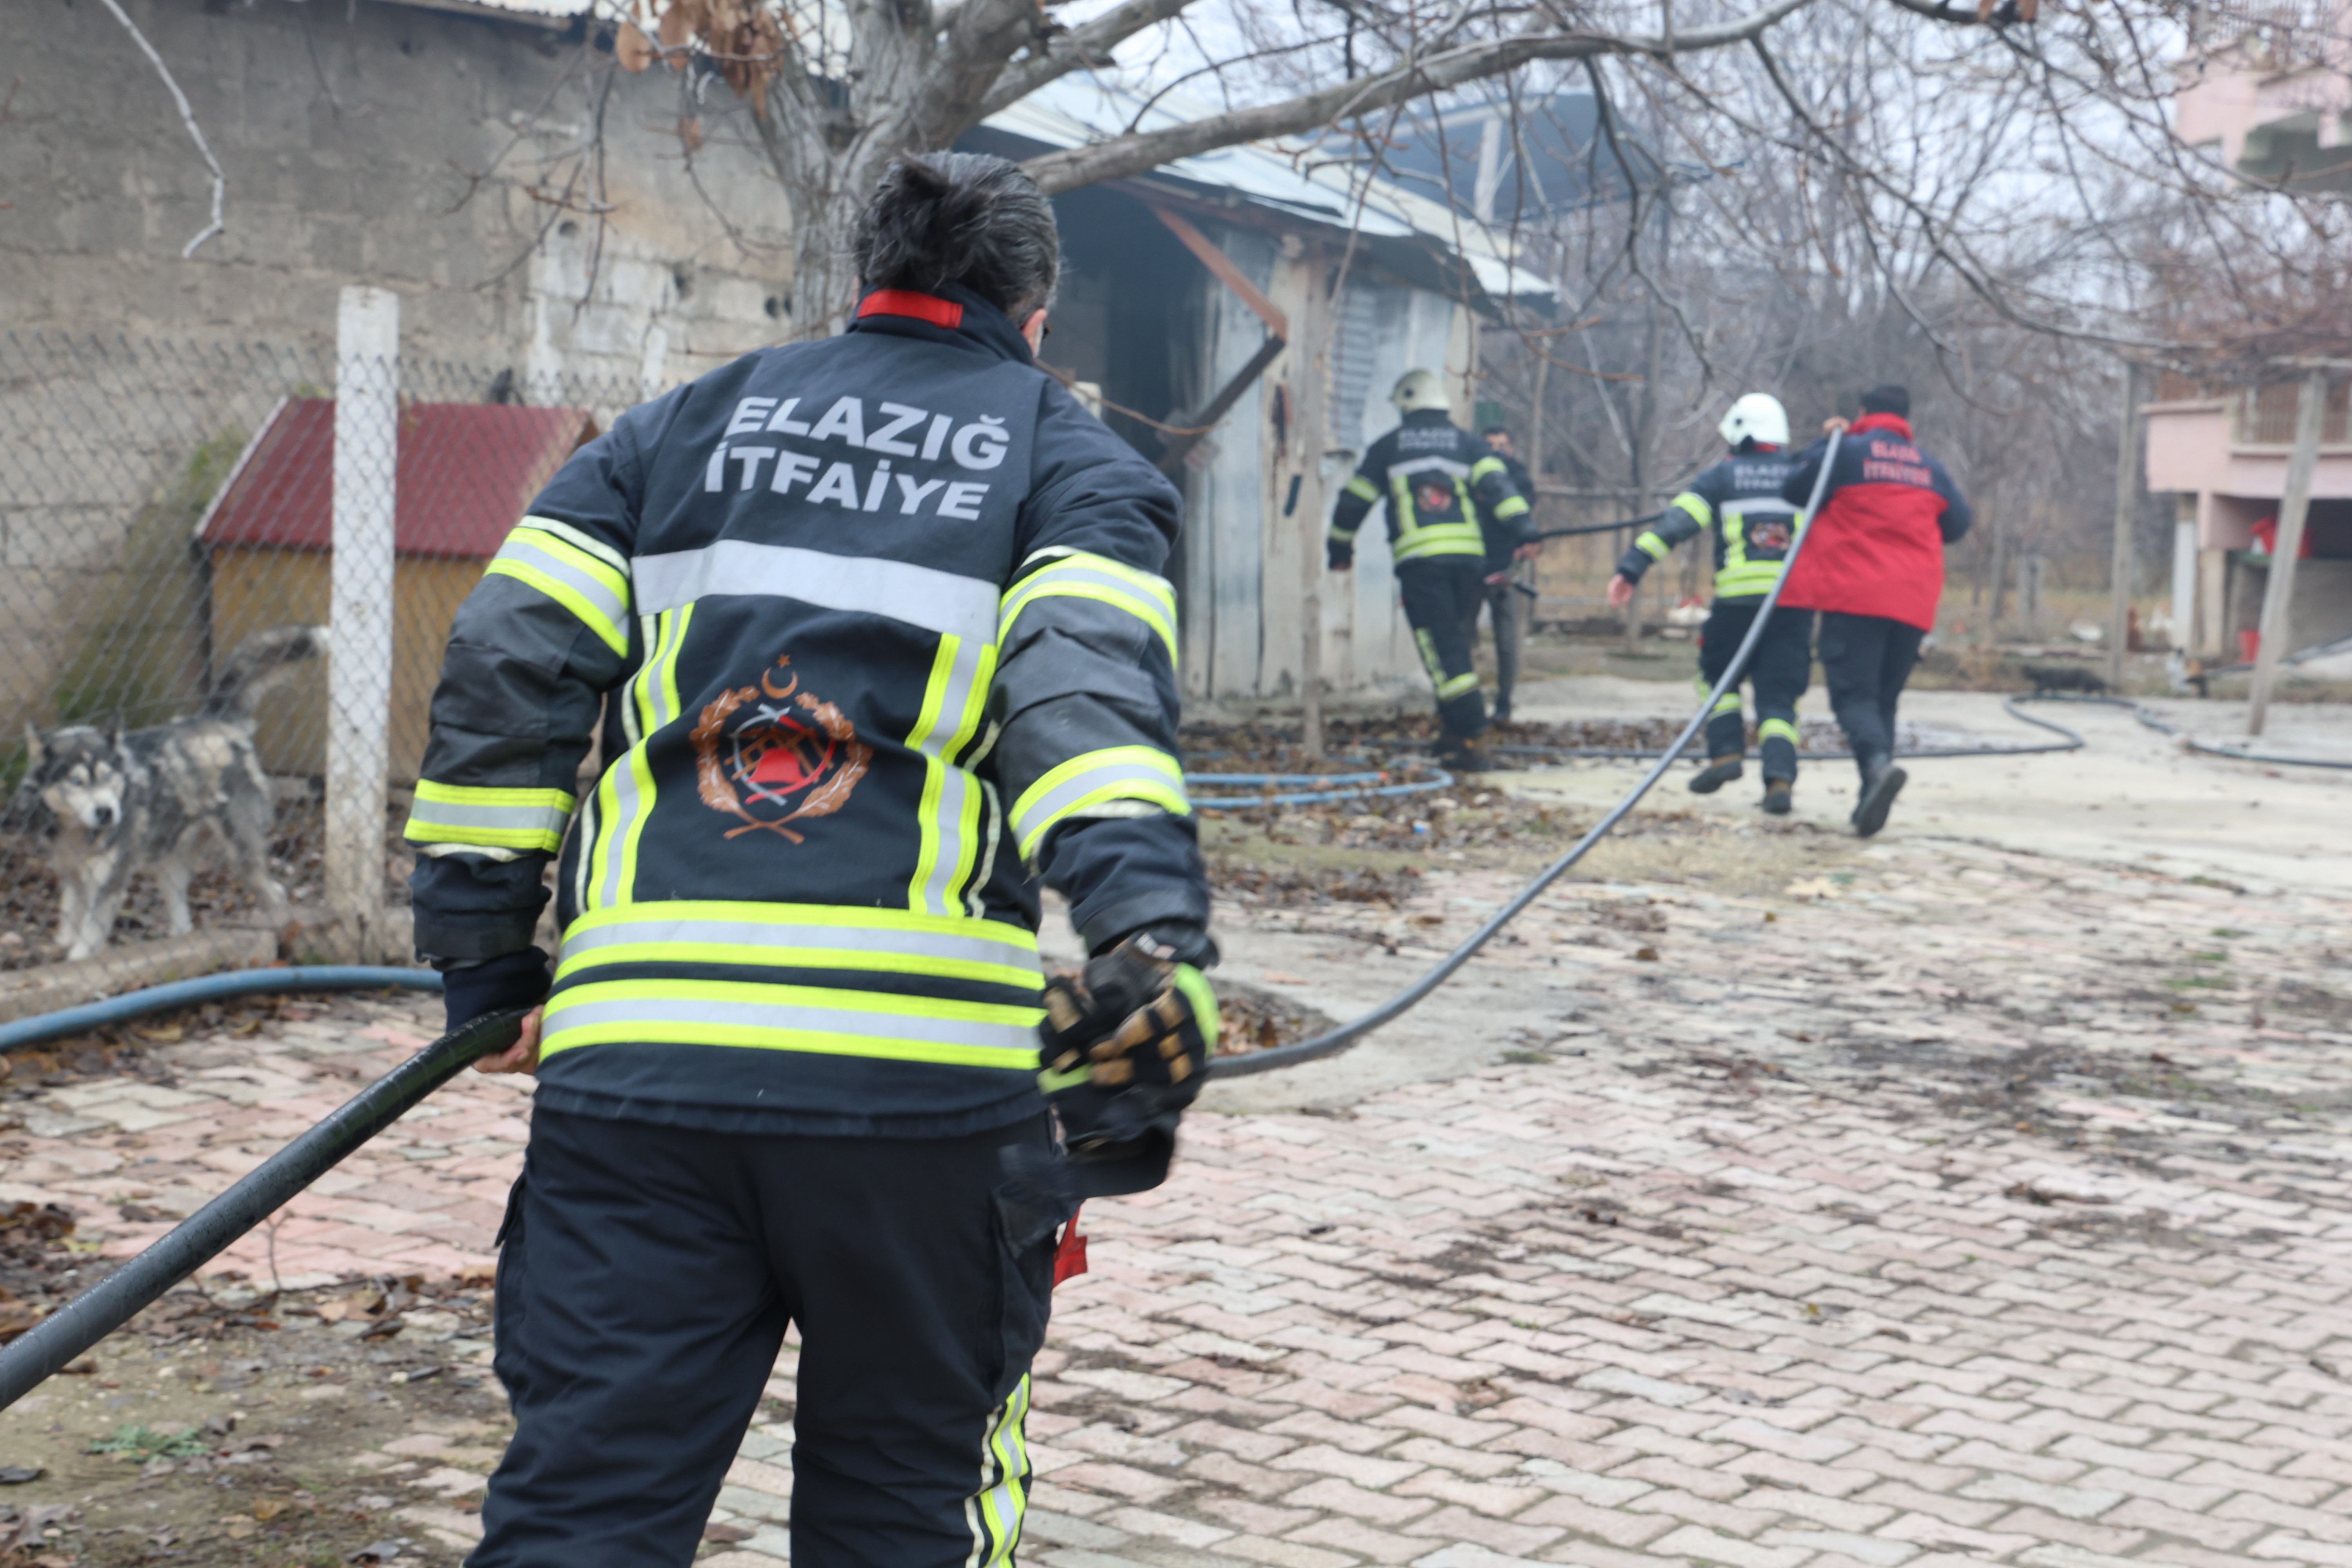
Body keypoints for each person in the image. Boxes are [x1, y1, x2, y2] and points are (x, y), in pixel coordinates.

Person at [402, 151, 1217, 1568]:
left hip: (642, 1070)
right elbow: (1081, 701)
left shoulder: (668, 433)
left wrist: (484, 963)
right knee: (903, 1505)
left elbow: (507, 659)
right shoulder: (1073, 463)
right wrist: (1146, 935)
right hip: (923, 1095)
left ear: (864, 279)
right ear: (1034, 313)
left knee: (584, 1510)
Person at [1777, 383, 1973, 837]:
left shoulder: (1845, 453)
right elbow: (1958, 525)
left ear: (1862, 412)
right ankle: (1873, 793)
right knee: (1883, 699)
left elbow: (1794, 487)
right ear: (1907, 419)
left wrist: (1828, 440)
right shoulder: (1929, 467)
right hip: (1912, 603)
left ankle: (1879, 768)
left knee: (1853, 697)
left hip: (1856, 597)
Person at [1607, 394, 1811, 815]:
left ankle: (1726, 754)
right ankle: (1779, 782)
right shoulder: (1804, 476)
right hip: (1791, 605)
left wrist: (1631, 569)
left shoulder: (1723, 477)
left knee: (1716, 677)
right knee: (1779, 696)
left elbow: (1676, 524)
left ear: (1742, 432)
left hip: (1737, 603)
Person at [1327, 371, 1536, 770]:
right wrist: (1525, 530)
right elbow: (1500, 489)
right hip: (1469, 563)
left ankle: (1474, 735)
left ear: (1406, 404)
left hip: (1422, 563)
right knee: (1456, 643)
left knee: (1442, 651)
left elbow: (1354, 502)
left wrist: (1339, 549)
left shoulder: (1390, 447)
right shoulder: (1468, 445)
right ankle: (1453, 734)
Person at [1479, 424, 1538, 723]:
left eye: (1502, 446)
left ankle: (1504, 702)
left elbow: (1525, 512)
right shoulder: (1473, 475)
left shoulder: (1518, 476)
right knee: (1464, 636)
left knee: (1505, 638)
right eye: (1490, 446)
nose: (1497, 452)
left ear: (1511, 449)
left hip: (1504, 564)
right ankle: (1468, 705)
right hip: (1474, 563)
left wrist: (1523, 545)